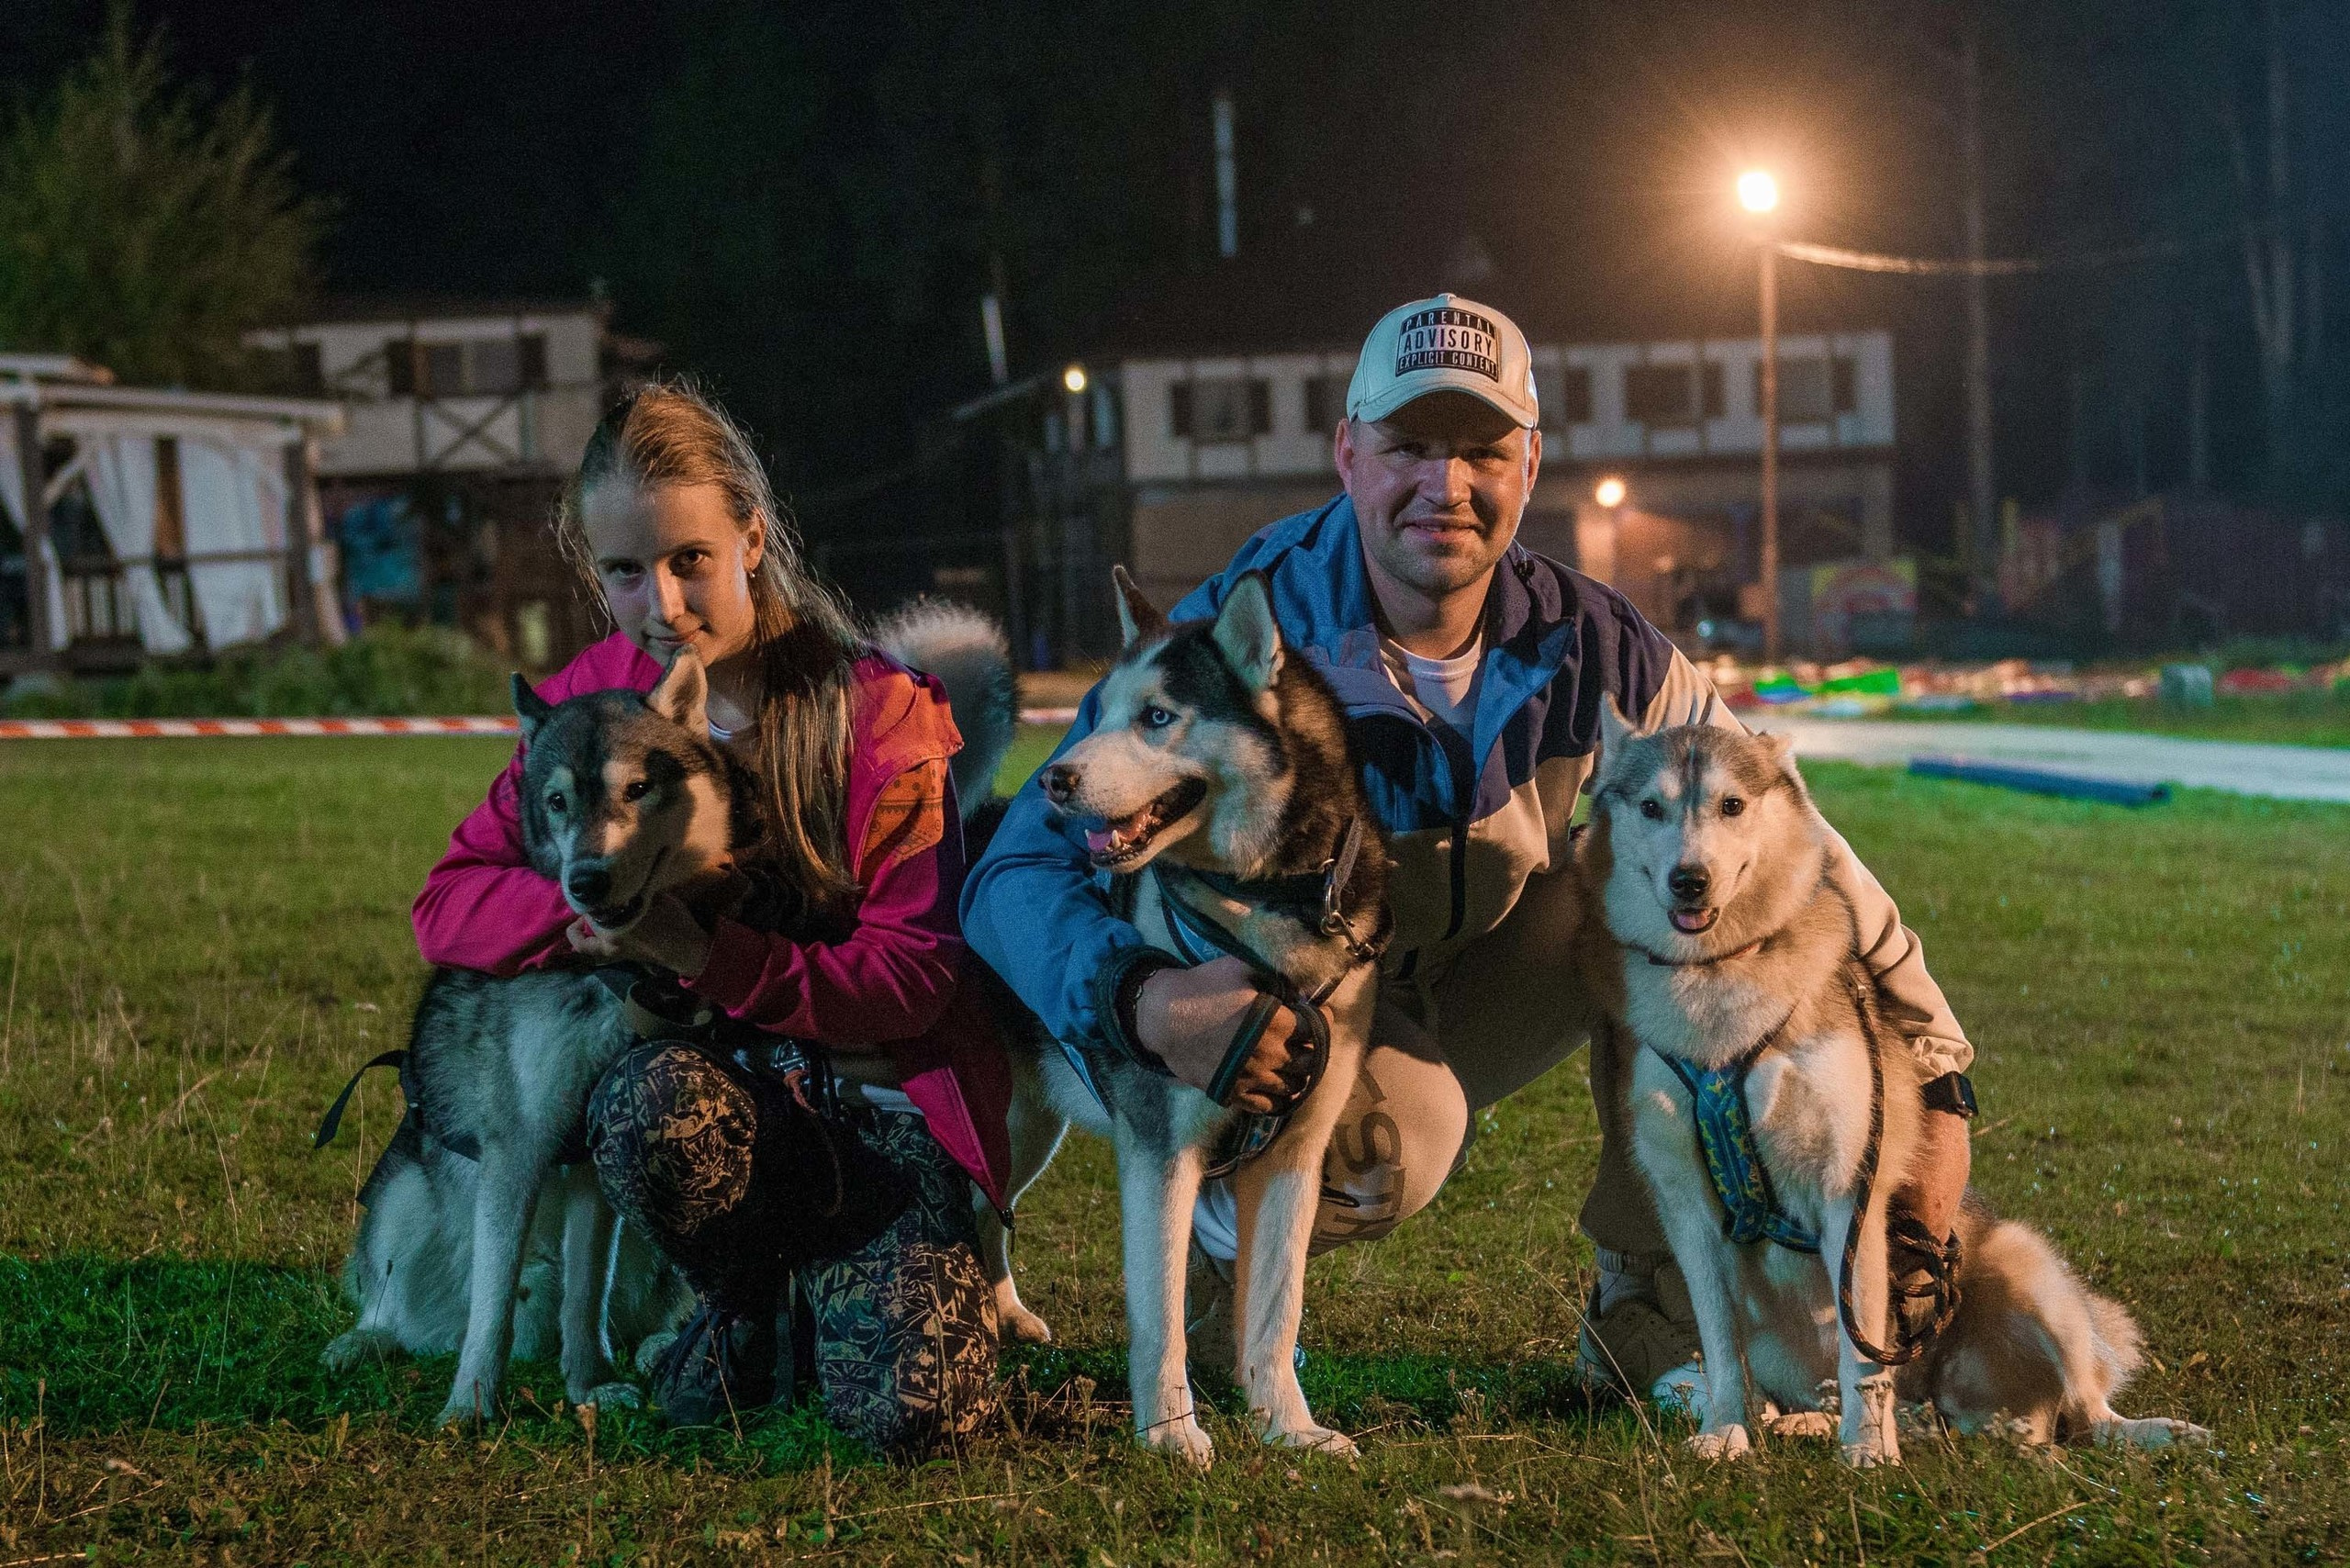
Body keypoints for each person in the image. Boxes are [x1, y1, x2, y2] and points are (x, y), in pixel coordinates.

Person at [962, 295, 1976, 1410]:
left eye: (1482, 451)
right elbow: (1016, 870)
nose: (1443, 487)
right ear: (1347, 454)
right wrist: (1140, 998)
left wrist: (1935, 1071)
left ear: (1530, 465)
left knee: (1662, 885)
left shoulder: (1595, 644)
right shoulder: (1239, 630)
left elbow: (1790, 834)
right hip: (1289, 1003)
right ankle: (1221, 1246)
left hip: (1482, 970)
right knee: (1403, 1140)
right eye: (1407, 447)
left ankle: (1647, 1302)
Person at [413, 380, 1009, 1453]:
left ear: (752, 536)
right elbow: (447, 904)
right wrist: (581, 903)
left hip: (879, 1123)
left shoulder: (875, 709)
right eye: (625, 571)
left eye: (691, 558)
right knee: (648, 1100)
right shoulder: (590, 707)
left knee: (915, 1416)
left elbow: (919, 975)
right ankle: (743, 1302)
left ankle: (826, 1296)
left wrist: (710, 952)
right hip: (716, 1121)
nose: (663, 603)